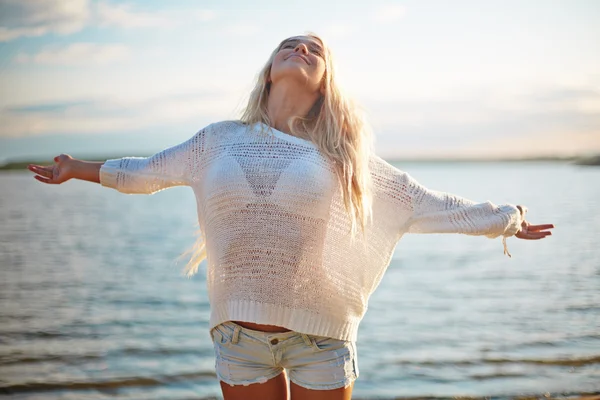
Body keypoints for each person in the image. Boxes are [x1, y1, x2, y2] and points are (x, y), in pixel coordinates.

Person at [27, 33, 554, 400]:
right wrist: (78, 168)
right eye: (289, 44)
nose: (300, 49)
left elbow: (425, 203)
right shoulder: (218, 139)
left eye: (314, 49)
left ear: (325, 81)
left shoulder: (343, 157)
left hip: (320, 337)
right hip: (238, 335)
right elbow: (147, 172)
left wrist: (503, 219)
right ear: (269, 71)